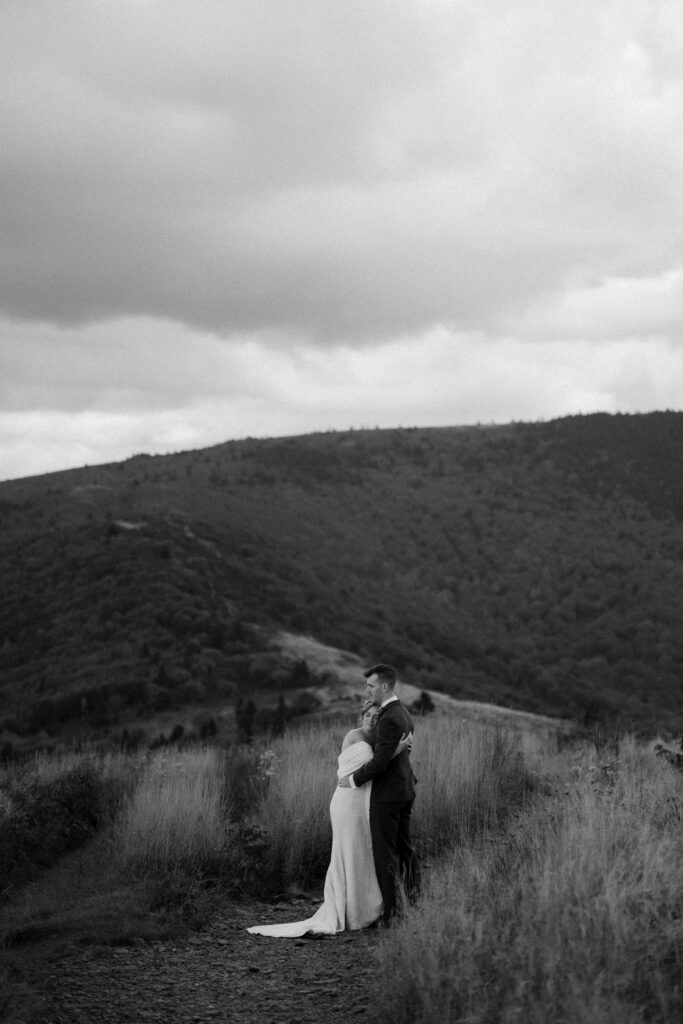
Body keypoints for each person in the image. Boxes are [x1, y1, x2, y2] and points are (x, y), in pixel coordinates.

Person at [246, 702, 411, 937]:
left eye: (376, 716)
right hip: (347, 802)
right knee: (347, 852)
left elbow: (379, 764)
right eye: (368, 715)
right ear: (361, 716)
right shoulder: (353, 736)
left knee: (364, 850)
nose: (371, 719)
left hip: (363, 801)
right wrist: (397, 749)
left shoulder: (377, 739)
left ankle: (366, 907)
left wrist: (397, 747)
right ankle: (349, 909)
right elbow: (375, 765)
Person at [338, 663, 420, 925]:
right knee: (405, 849)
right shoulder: (402, 713)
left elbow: (379, 764)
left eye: (371, 685)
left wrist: (351, 779)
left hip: (388, 795)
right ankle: (413, 900)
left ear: (384, 686)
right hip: (404, 789)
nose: (368, 689)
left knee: (384, 852)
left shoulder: (388, 718)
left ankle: (393, 913)